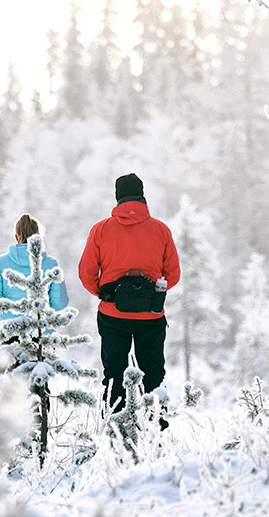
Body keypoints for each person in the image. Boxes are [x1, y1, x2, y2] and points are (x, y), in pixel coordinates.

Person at [78, 173, 180, 414]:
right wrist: (149, 295)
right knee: (154, 375)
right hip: (151, 315)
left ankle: (115, 429)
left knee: (114, 375)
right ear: (142, 196)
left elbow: (86, 273)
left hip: (113, 315)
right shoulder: (161, 230)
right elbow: (173, 274)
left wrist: (108, 295)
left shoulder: (101, 229)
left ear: (118, 197)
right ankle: (156, 428)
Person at [0, 214, 69, 323]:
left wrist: (8, 315)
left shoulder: (1, 263)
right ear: (38, 237)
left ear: (16, 237)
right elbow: (60, 304)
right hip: (42, 329)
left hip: (11, 328)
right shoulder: (51, 264)